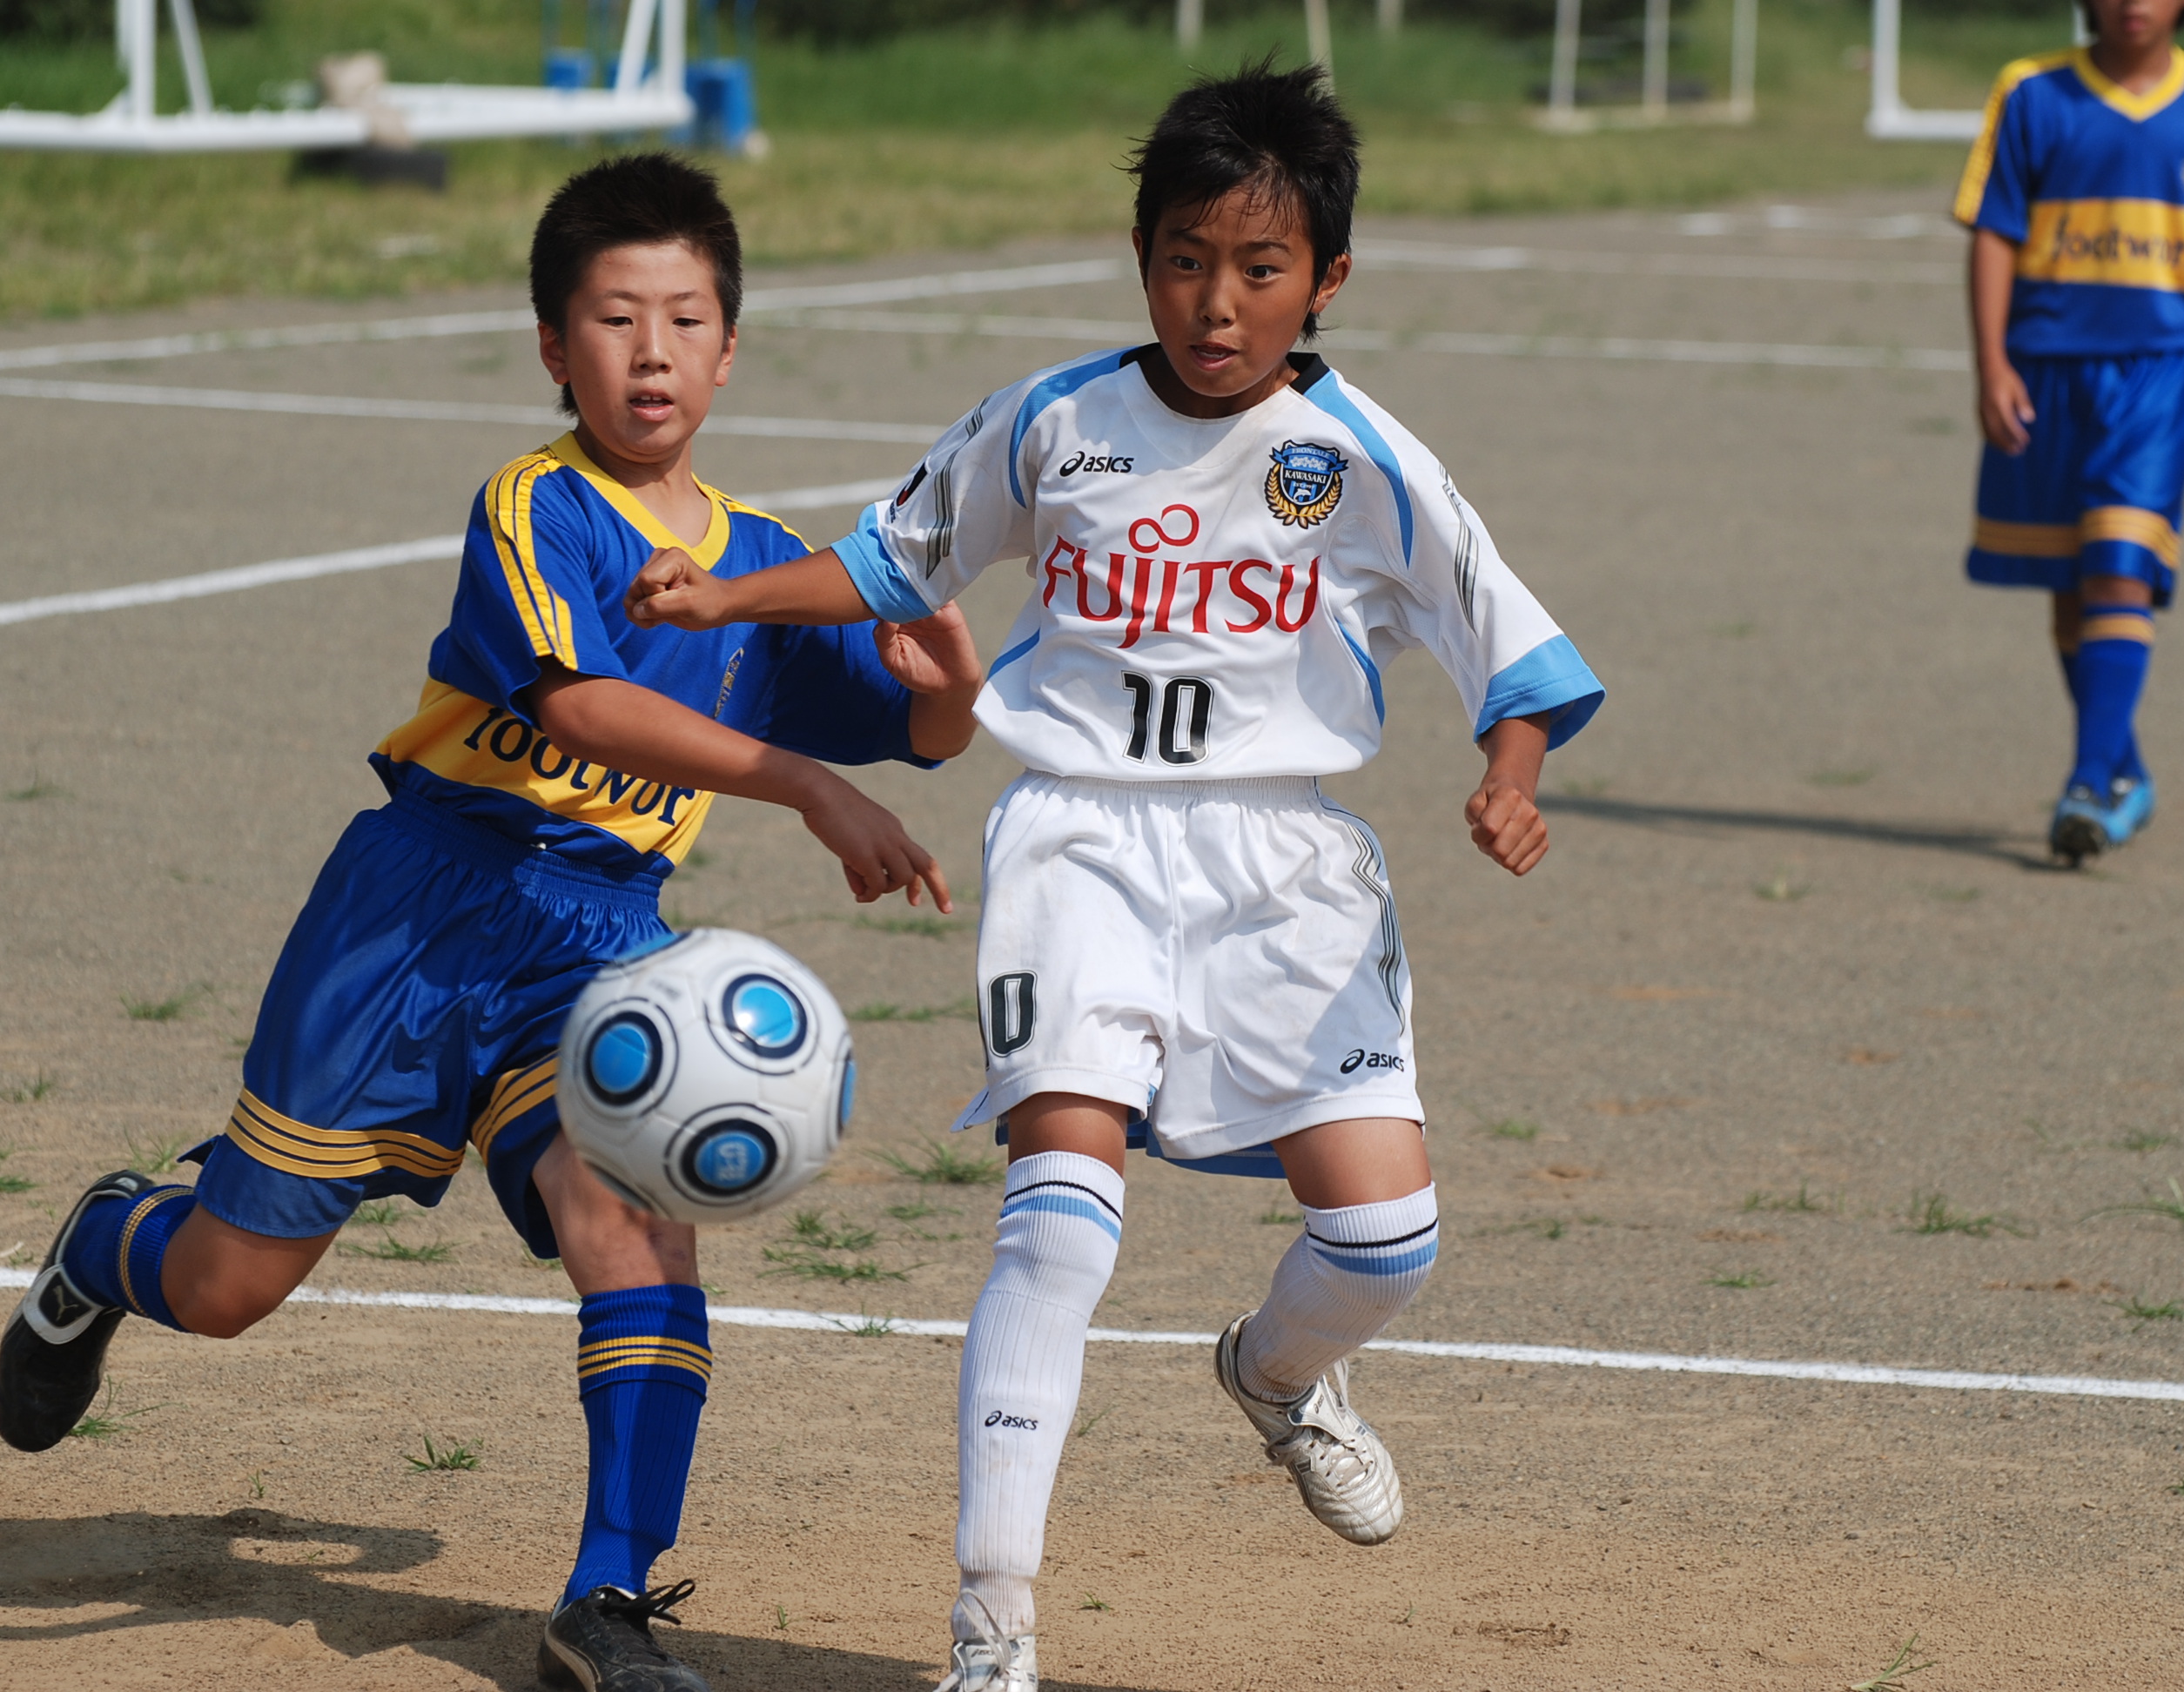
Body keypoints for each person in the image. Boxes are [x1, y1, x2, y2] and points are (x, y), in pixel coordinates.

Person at [624, 64, 1604, 1692]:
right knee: (1058, 1217)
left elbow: (1515, 653)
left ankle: (1280, 1376)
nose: (1217, 304)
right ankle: (991, 1618)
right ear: (1140, 255)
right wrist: (722, 602)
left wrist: (1510, 778)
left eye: (1260, 267)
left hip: (1287, 865)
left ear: (1328, 280)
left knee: (1387, 1235)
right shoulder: (1055, 417)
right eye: (1183, 259)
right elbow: (896, 553)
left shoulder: (1354, 453)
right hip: (1078, 836)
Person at [0, 151, 984, 1692]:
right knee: (227, 1288)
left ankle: (606, 1602)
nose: (648, 352)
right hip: (416, 913)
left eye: (683, 318)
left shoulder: (764, 564)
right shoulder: (536, 505)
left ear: (730, 346)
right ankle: (105, 1242)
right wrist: (803, 786)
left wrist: (951, 676)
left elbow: (921, 736)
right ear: (550, 345)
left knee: (636, 1222)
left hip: (596, 946)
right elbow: (580, 699)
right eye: (611, 318)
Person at [1958, 0, 2184, 864]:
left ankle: (2088, 783)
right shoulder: (2030, 93)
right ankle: (2122, 771)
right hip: (2046, 366)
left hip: (2158, 370)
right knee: (2071, 582)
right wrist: (1990, 361)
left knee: (2119, 567)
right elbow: (1993, 231)